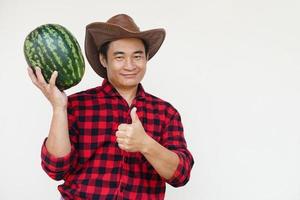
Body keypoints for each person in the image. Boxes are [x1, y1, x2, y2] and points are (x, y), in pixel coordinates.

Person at [28, 14, 194, 200]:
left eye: (137, 56)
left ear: (147, 58)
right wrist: (58, 108)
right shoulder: (76, 105)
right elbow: (56, 169)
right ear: (103, 59)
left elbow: (181, 175)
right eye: (119, 57)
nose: (130, 65)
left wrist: (145, 144)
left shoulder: (166, 113)